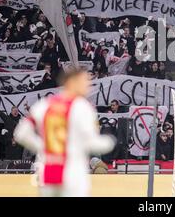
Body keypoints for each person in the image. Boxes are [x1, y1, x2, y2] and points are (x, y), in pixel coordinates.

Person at [14, 68, 115, 197]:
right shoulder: (81, 107)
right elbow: (90, 142)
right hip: (72, 173)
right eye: (84, 81)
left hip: (47, 173)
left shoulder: (44, 105)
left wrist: (44, 147)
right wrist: (109, 142)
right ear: (72, 82)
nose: (88, 86)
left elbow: (20, 133)